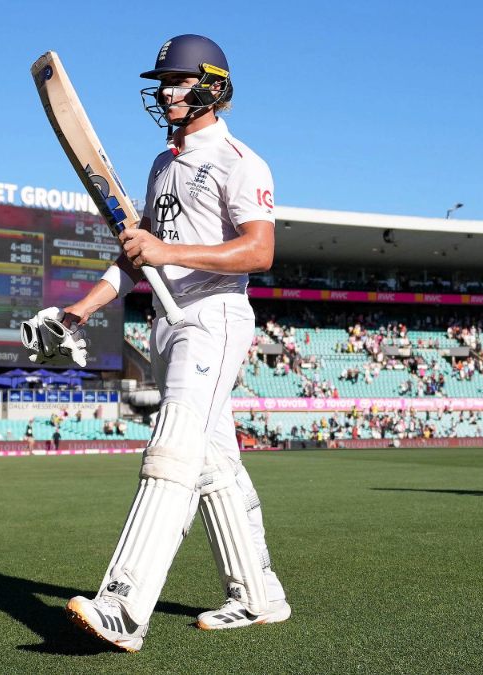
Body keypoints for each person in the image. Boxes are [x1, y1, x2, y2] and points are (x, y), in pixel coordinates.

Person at [57, 35, 289, 651]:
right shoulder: (163, 164)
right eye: (163, 82)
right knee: (215, 463)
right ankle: (258, 596)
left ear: (212, 85)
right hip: (166, 319)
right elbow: (137, 256)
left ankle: (123, 606)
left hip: (212, 317)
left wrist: (168, 251)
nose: (165, 92)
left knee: (173, 450)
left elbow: (260, 251)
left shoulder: (242, 160)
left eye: (179, 81)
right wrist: (78, 312)